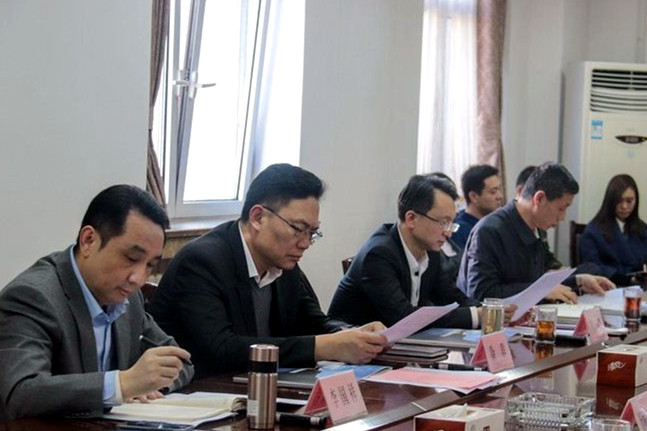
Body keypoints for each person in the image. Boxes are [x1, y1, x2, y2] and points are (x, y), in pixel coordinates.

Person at [149, 164, 387, 377]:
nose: (305, 243)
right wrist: (324, 347)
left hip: (259, 387)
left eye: (312, 232)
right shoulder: (202, 261)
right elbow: (221, 350)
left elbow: (312, 322)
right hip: (200, 393)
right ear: (258, 217)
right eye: (298, 228)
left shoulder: (284, 263)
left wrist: (352, 334)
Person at [0, 185, 194, 422]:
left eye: (150, 265)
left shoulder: (128, 297)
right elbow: (21, 393)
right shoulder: (33, 297)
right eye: (131, 258)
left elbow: (181, 362)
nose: (139, 278)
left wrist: (148, 385)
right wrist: (122, 384)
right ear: (88, 240)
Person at [328, 175, 516, 329]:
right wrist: (475, 316)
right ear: (411, 218)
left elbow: (450, 297)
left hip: (403, 346)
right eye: (443, 222)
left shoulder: (430, 251)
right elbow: (403, 317)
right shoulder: (379, 254)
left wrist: (489, 310)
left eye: (451, 223)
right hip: (354, 354)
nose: (448, 233)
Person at [457, 162, 615, 302]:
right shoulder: (489, 230)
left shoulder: (536, 227)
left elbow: (538, 282)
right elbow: (481, 294)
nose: (562, 217)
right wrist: (540, 291)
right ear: (539, 199)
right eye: (561, 208)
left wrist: (578, 281)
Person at [579, 174, 647, 286]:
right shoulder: (593, 231)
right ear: (610, 201)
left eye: (629, 201)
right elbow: (590, 267)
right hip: (609, 288)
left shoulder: (642, 229)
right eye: (619, 201)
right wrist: (627, 279)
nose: (624, 206)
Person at [515, 165, 563, 270]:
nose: (562, 218)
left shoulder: (538, 223)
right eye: (561, 209)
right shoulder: (496, 229)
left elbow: (547, 259)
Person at [452, 165, 503, 249]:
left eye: (499, 190)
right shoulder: (460, 231)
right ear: (474, 196)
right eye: (493, 192)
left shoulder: (497, 223)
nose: (500, 196)